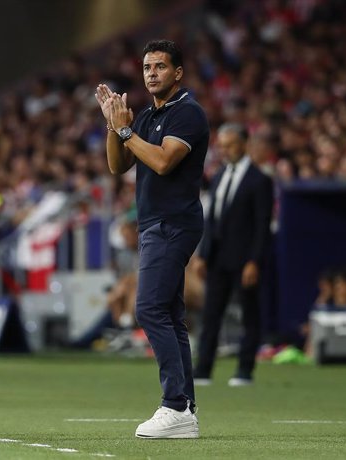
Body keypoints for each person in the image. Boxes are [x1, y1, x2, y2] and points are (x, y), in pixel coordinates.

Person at [95, 39, 208, 439]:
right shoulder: (145, 116)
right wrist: (114, 125)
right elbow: (117, 164)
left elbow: (161, 162)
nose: (152, 73)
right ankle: (186, 408)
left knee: (149, 309)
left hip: (174, 222)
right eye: (146, 68)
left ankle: (174, 405)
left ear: (177, 72)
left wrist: (124, 129)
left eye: (160, 66)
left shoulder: (188, 114)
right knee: (170, 315)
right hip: (154, 223)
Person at [193, 123, 273, 387]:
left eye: (230, 145)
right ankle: (203, 370)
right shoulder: (218, 176)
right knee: (211, 314)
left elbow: (262, 225)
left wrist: (254, 261)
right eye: (222, 145)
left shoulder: (259, 180)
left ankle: (244, 370)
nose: (224, 150)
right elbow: (212, 218)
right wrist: (203, 254)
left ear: (244, 144)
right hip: (217, 258)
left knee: (249, 314)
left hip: (244, 258)